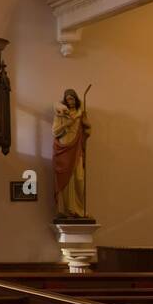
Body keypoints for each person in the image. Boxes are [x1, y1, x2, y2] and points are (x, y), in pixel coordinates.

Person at [53, 88, 91, 218]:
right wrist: (66, 124)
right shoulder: (61, 114)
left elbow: (87, 131)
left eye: (72, 98)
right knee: (66, 179)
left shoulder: (81, 114)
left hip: (77, 148)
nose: (71, 101)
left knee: (79, 178)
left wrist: (87, 125)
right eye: (68, 99)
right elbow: (55, 131)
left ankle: (80, 210)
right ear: (65, 101)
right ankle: (67, 210)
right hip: (64, 147)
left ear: (76, 99)